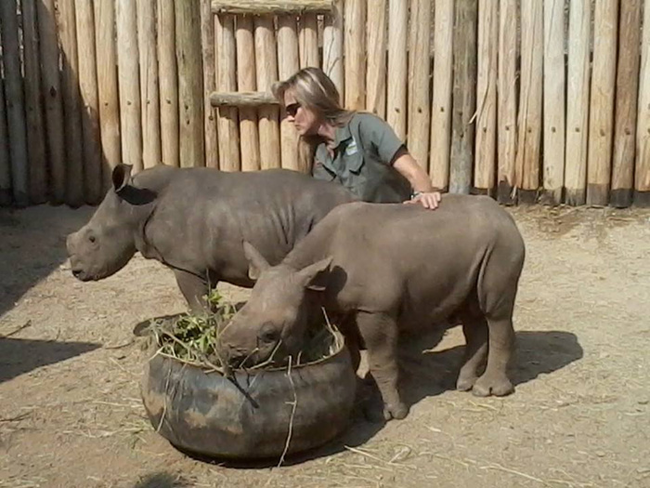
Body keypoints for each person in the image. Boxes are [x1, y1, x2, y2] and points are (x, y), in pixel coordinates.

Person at [272, 67, 442, 209]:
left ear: (313, 100)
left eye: (293, 109)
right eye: (287, 112)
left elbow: (414, 173)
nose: (289, 118)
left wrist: (423, 195)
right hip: (351, 237)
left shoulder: (365, 126)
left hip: (392, 227)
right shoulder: (314, 152)